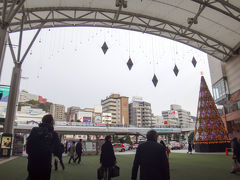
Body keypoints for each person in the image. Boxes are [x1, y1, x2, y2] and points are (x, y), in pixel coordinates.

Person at [26, 114, 60, 180]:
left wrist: (30, 154)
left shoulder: (34, 130)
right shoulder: (53, 133)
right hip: (45, 163)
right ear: (52, 122)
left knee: (31, 177)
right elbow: (57, 146)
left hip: (32, 161)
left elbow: (28, 144)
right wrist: (56, 155)